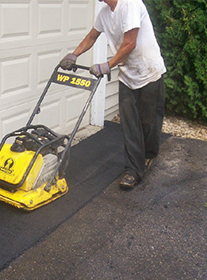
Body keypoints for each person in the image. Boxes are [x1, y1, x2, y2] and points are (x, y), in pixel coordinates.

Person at [60, 0, 166, 191]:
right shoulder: (104, 14)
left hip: (149, 71)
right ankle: (134, 170)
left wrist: (107, 65)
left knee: (148, 122)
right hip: (127, 75)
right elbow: (91, 37)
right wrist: (73, 55)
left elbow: (130, 42)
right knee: (129, 123)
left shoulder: (130, 4)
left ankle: (149, 154)